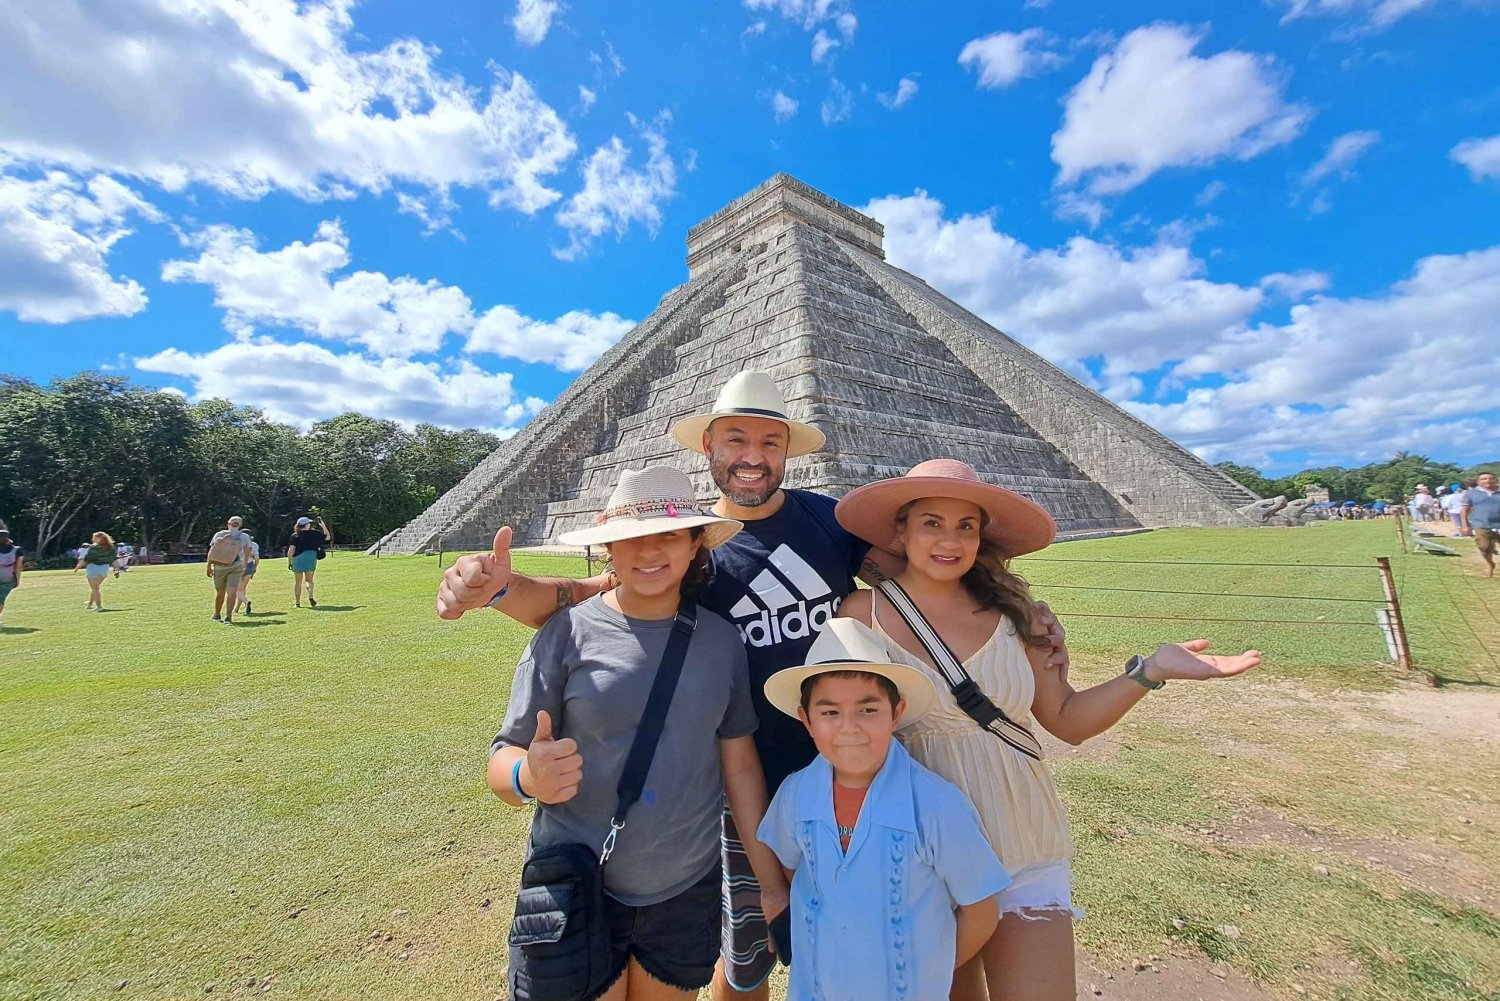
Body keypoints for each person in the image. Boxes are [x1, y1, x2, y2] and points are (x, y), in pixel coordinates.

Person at [436, 370, 1066, 1000]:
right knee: (748, 955)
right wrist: (493, 587)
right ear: (708, 445)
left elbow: (936, 567)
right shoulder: (688, 545)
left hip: (849, 768)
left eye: (770, 442)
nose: (752, 457)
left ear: (787, 451)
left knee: (885, 934)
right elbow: (591, 596)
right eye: (737, 439)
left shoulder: (832, 525)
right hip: (744, 780)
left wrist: (1020, 608)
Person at [834, 459, 1262, 1001]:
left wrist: (1149, 671)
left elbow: (1069, 720)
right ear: (902, 532)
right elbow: (842, 737)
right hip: (919, 848)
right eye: (932, 523)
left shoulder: (1018, 615)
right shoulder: (860, 616)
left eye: (966, 525)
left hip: (1022, 833)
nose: (950, 540)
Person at [489, 466, 783, 1001]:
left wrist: (768, 880)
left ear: (696, 544)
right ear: (608, 549)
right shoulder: (566, 632)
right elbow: (503, 759)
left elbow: (739, 764)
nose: (648, 552)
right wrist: (527, 775)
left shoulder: (721, 642)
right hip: (577, 881)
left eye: (668, 534)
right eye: (630, 539)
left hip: (684, 883)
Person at [758, 618, 1008, 1001]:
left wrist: (929, 967)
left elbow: (980, 909)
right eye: (829, 713)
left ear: (896, 713)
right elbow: (795, 868)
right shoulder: (796, 795)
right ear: (806, 720)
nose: (849, 728)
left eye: (868, 710)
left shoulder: (934, 805)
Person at [206, 516, 254, 623]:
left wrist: (208, 565)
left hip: (219, 566)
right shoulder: (245, 537)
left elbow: (212, 551)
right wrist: (244, 565)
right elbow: (247, 552)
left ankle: (217, 614)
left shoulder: (219, 535)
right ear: (240, 525)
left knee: (220, 592)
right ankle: (228, 616)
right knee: (232, 591)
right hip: (236, 565)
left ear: (228, 524)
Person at [1461, 472, 1500, 578]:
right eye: (1484, 479)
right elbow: (1465, 509)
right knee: (1484, 547)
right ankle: (1490, 564)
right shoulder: (1471, 493)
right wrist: (1465, 525)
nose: (1488, 481)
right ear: (1478, 481)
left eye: (1490, 478)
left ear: (1495, 480)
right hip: (1481, 524)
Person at [288, 515, 331, 608]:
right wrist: (323, 525)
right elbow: (328, 537)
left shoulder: (295, 535)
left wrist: (289, 562)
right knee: (309, 580)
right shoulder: (315, 533)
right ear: (306, 525)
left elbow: (291, 551)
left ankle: (297, 603)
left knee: (298, 582)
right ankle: (310, 596)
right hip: (311, 557)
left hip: (298, 558)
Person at [73, 531, 118, 611]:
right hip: (104, 569)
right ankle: (90, 604)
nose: (92, 539)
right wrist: (116, 570)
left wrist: (77, 567)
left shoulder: (93, 548)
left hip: (93, 569)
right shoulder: (111, 548)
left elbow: (86, 560)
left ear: (100, 538)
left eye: (94, 537)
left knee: (95, 588)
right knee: (95, 588)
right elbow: (114, 560)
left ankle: (99, 607)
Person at [234, 531, 261, 616]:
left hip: (239, 566)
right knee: (242, 589)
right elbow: (256, 558)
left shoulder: (237, 544)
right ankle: (237, 609)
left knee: (237, 590)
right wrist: (255, 567)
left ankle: (246, 601)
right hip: (250, 565)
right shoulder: (254, 545)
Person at [0, 528, 21, 629]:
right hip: (7, 579)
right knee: (1, 600)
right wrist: (18, 580)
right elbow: (18, 567)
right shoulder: (17, 550)